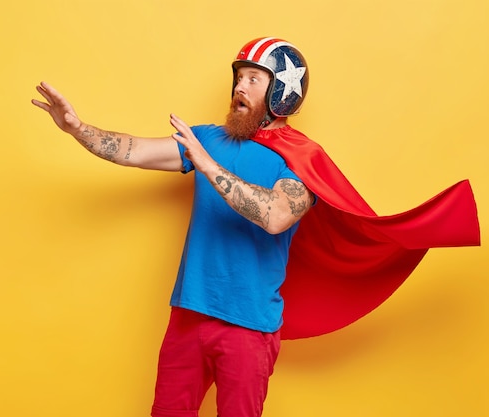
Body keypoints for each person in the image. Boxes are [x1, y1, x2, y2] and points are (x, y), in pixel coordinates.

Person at [32, 37, 315, 417]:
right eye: (239, 78)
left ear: (283, 92)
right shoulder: (209, 138)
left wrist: (207, 163)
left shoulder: (301, 159)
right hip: (190, 312)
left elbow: (277, 216)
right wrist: (78, 129)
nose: (239, 87)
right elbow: (136, 151)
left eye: (253, 79)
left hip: (248, 326)